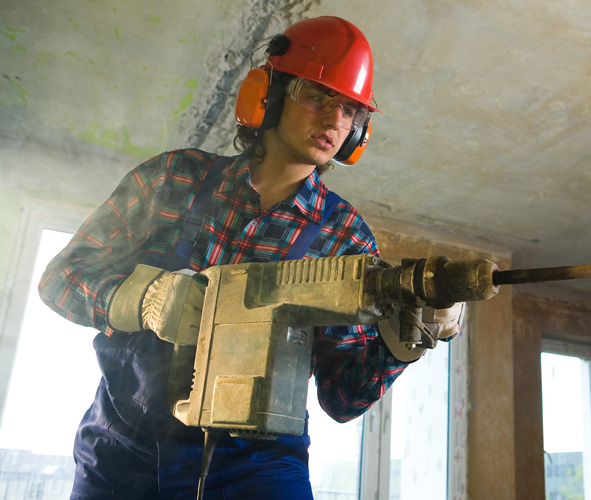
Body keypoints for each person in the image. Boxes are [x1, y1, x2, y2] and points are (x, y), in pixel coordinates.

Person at [38, 16, 462, 500]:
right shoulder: (174, 178)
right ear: (270, 93)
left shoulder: (346, 237)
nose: (332, 121)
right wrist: (141, 299)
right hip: (123, 451)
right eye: (317, 95)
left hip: (257, 469)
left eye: (349, 110)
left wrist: (404, 337)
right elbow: (61, 279)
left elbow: (343, 397)